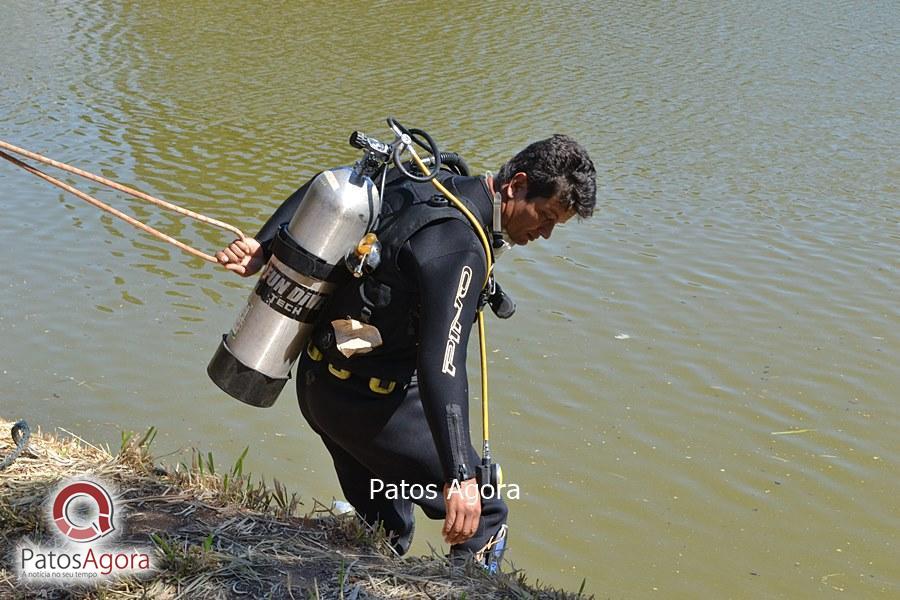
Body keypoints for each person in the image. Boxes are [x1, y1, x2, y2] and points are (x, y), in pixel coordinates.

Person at [216, 134, 596, 571]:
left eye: (555, 226)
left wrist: (264, 248)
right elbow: (443, 365)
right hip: (370, 409)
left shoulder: (424, 178)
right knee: (486, 510)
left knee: (386, 523)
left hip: (318, 390)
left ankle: (359, 571)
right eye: (545, 216)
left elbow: (331, 185)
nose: (544, 233)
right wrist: (461, 476)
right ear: (517, 185)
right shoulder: (460, 246)